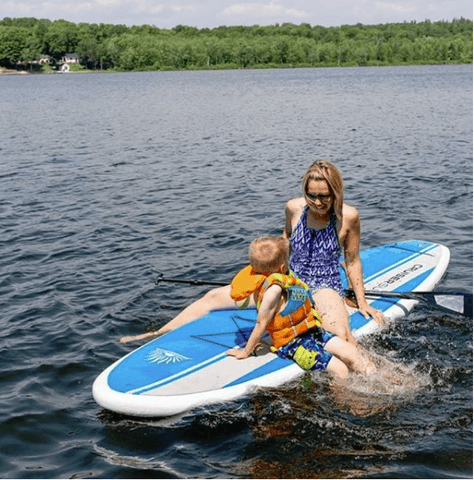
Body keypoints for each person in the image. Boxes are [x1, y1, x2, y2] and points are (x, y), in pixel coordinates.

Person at [120, 159, 384, 345]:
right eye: (311, 195)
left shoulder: (348, 217)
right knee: (212, 296)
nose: (317, 203)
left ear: (335, 192)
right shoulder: (293, 208)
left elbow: (351, 260)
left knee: (338, 332)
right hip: (288, 281)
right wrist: (264, 276)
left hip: (323, 286)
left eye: (324, 196)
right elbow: (285, 243)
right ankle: (157, 334)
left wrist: (361, 302)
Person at [225, 236, 376, 379]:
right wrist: (245, 351)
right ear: (283, 266)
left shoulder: (286, 278)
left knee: (354, 354)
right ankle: (347, 403)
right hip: (293, 344)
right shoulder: (273, 291)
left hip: (311, 331)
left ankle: (376, 382)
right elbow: (261, 323)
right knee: (341, 370)